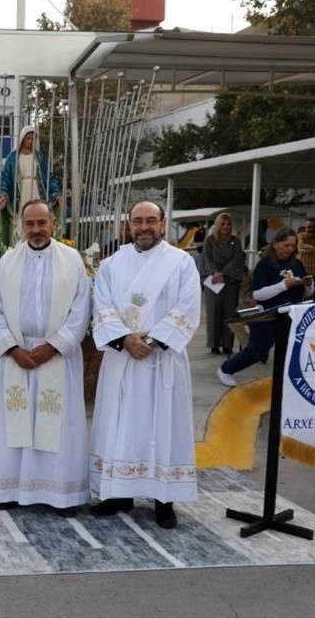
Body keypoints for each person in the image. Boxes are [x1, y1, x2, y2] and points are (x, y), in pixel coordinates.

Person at [89, 201, 200, 529]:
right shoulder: (111, 264)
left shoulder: (180, 263)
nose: (144, 226)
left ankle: (163, 499)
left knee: (161, 427)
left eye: (151, 220)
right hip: (123, 360)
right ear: (128, 225)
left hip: (162, 360)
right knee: (119, 427)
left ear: (163, 224)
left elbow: (188, 307)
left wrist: (152, 342)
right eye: (138, 221)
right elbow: (102, 306)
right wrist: (125, 340)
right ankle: (118, 493)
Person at [0, 200, 91, 516]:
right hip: (17, 356)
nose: (36, 230)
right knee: (13, 426)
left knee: (57, 427)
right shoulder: (8, 261)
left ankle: (61, 495)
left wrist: (54, 345)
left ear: (53, 223)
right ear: (21, 226)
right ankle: (7, 490)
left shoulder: (72, 261)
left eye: (41, 223)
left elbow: (80, 309)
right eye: (29, 224)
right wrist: (12, 348)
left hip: (57, 357)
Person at [217, 228, 314, 387]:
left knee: (288, 349)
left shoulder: (297, 264)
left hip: (290, 315)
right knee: (258, 350)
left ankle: (285, 380)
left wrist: (309, 285)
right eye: (286, 245)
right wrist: (284, 285)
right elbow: (258, 295)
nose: (290, 249)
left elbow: (306, 293)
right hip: (266, 315)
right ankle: (226, 369)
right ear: (275, 244)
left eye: (293, 246)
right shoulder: (265, 265)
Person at [0, 125, 61, 248]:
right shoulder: (13, 157)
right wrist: (4, 193)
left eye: (33, 139)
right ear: (22, 139)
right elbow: (5, 177)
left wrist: (56, 192)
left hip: (36, 191)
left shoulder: (40, 157)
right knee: (21, 219)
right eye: (28, 138)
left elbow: (48, 176)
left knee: (39, 214)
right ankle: (19, 245)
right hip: (21, 193)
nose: (30, 141)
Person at [201, 213, 245, 355]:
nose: (226, 227)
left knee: (230, 313)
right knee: (213, 312)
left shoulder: (235, 241)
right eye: (223, 224)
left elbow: (238, 259)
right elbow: (206, 259)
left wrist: (224, 273)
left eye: (228, 224)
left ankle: (228, 345)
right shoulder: (210, 241)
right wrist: (214, 273)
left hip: (230, 281)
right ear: (218, 225)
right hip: (213, 281)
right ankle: (214, 344)